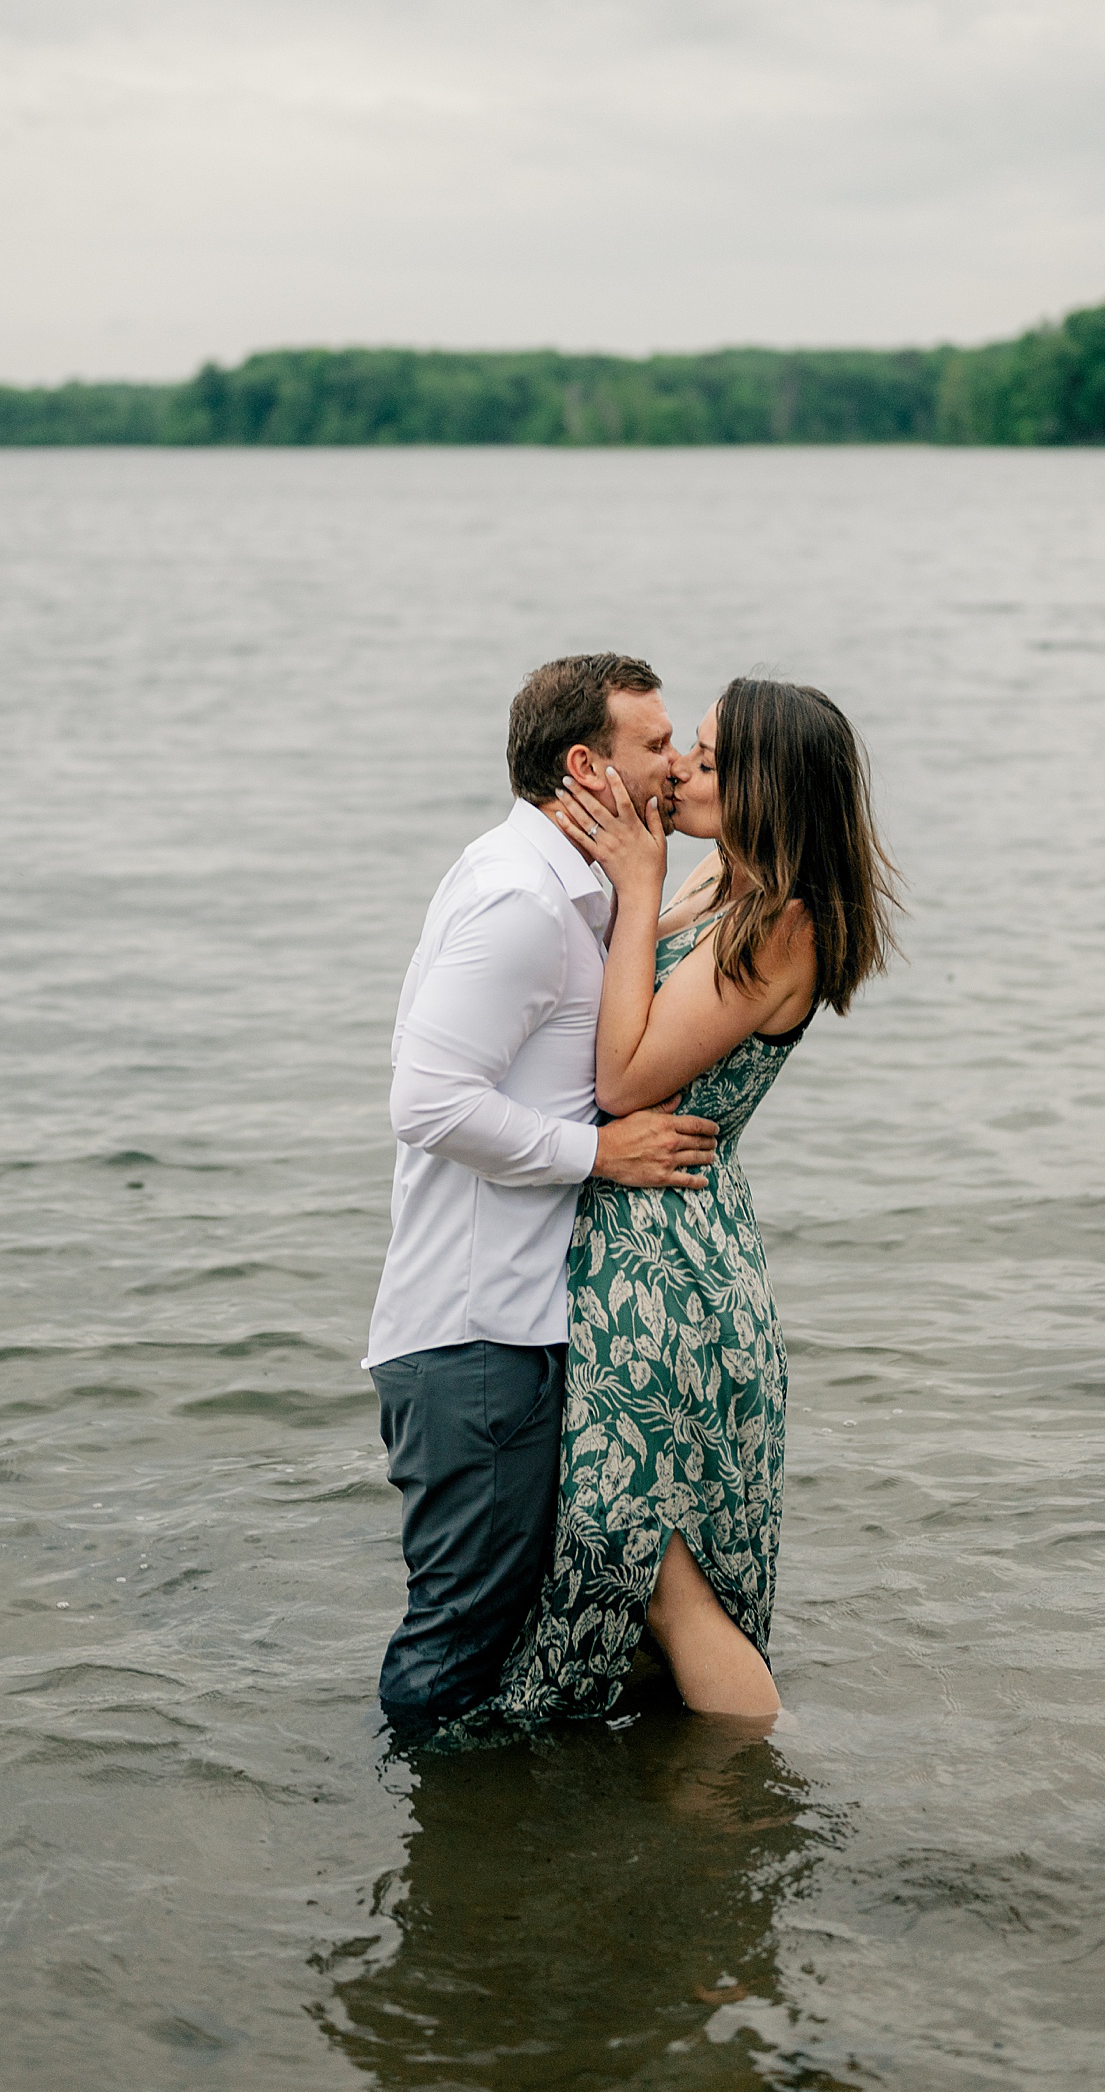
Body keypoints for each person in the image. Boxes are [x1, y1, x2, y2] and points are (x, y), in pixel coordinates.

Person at [485, 675, 900, 1725]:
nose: (679, 768)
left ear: (767, 785)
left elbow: (625, 1080)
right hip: (647, 1243)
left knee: (662, 1579)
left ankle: (755, 1789)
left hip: (663, 1272)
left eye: (708, 758)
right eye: (687, 748)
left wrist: (636, 889)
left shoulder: (781, 924)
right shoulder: (729, 884)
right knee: (635, 1555)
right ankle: (683, 1808)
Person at [366, 653, 721, 1734]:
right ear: (586, 764)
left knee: (509, 1627)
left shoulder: (569, 888)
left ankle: (476, 1866)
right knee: (460, 1638)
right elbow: (425, 1101)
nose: (675, 764)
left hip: (513, 1325)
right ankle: (436, 1877)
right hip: (476, 1335)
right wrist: (596, 1154)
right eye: (654, 745)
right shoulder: (522, 898)